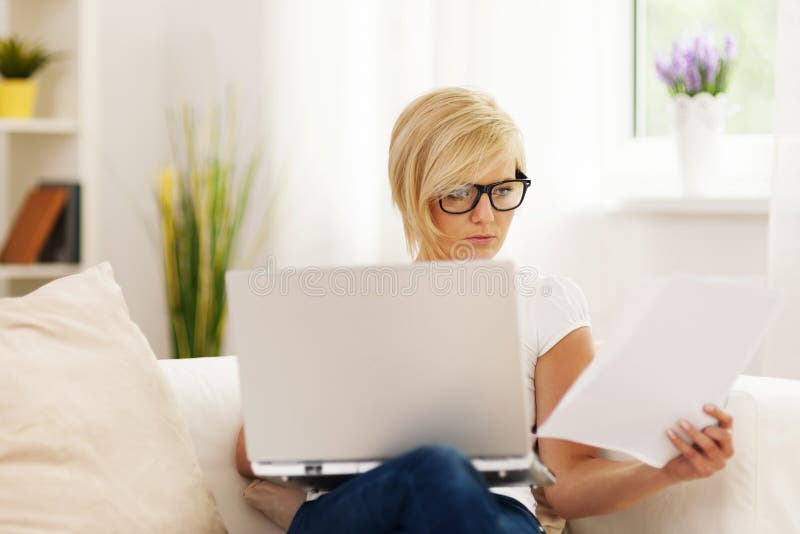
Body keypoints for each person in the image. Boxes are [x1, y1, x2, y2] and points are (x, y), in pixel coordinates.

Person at [235, 87, 735, 534]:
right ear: (415, 194)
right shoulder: (350, 304)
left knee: (450, 477)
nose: (486, 216)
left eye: (502, 190)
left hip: (494, 516)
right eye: (458, 193)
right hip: (364, 509)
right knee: (433, 466)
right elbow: (247, 454)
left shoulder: (545, 303)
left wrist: (666, 471)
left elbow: (566, 482)